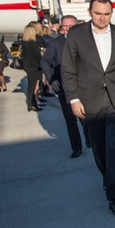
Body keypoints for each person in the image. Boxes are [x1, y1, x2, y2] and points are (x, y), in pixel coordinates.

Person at [62, 0, 115, 215]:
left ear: (111, 13)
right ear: (90, 12)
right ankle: (109, 179)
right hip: (89, 101)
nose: (102, 17)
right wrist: (74, 99)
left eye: (106, 13)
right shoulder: (77, 34)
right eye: (98, 13)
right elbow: (68, 69)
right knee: (99, 148)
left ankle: (114, 194)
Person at [41, 15, 89, 159]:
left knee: (86, 117)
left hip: (85, 88)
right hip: (64, 88)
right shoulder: (55, 44)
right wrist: (52, 79)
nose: (67, 28)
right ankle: (76, 147)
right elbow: (45, 63)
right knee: (70, 120)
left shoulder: (87, 42)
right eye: (65, 26)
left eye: (71, 26)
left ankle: (90, 138)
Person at [21, 25, 44, 112]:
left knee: (31, 84)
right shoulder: (33, 44)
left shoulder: (24, 43)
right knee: (33, 85)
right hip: (34, 66)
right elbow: (37, 56)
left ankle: (32, 102)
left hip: (27, 65)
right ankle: (31, 103)